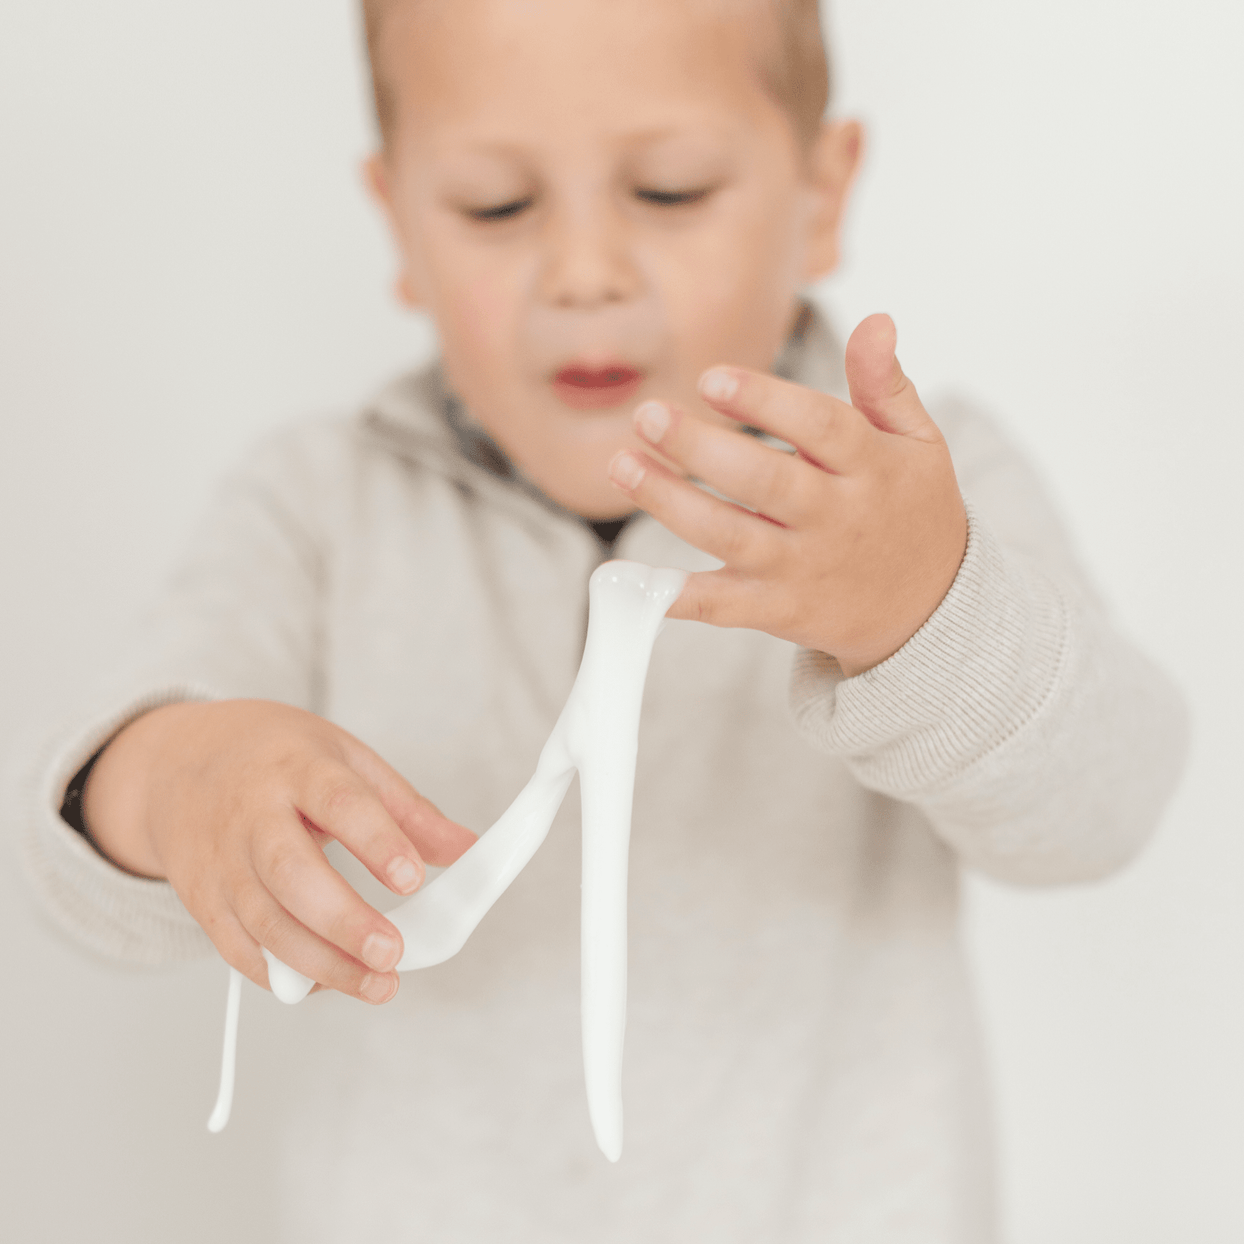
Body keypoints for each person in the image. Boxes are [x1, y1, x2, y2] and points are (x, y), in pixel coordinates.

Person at [16, 0, 1187, 1239]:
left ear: (820, 193)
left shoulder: (918, 495)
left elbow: (1105, 804)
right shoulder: (318, 504)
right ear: (398, 221)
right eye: (496, 206)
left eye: (668, 190)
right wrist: (179, 777)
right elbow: (65, 855)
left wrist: (921, 607)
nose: (583, 270)